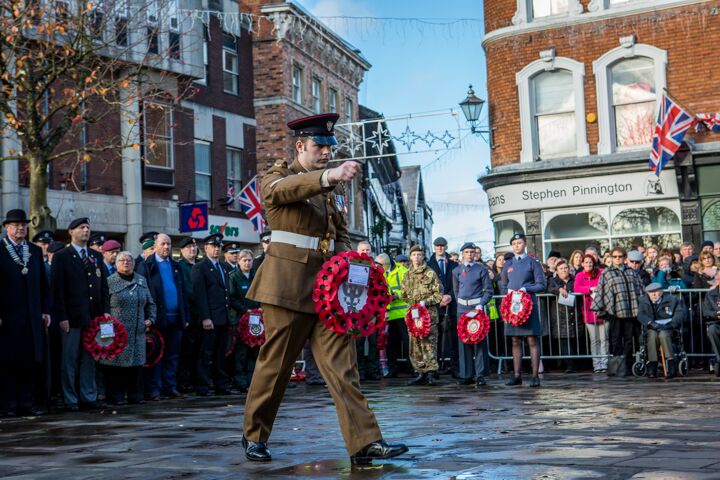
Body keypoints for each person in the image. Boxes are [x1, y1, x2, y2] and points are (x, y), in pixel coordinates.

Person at [242, 113, 407, 465]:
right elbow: (286, 191)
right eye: (319, 146)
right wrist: (328, 176)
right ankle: (255, 435)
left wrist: (359, 270)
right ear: (300, 146)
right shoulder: (277, 177)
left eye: (329, 148)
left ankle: (364, 442)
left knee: (342, 367)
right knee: (276, 366)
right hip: (287, 287)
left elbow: (338, 235)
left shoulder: (330, 191)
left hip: (329, 292)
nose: (326, 153)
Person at [51, 217, 110, 411]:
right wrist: (62, 317)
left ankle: (88, 395)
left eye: (87, 227)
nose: (86, 230)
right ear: (71, 232)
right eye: (81, 228)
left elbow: (102, 287)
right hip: (72, 317)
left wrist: (105, 314)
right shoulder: (62, 256)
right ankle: (70, 398)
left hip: (93, 317)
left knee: (90, 358)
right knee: (69, 360)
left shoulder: (95, 256)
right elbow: (57, 290)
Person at [0, 209, 51, 417]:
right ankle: (8, 403)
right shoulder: (1, 249)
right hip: (8, 316)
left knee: (30, 361)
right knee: (9, 361)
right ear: (6, 228)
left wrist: (46, 310)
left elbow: (43, 285)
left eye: (23, 224)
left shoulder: (34, 250)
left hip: (32, 315)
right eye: (15, 225)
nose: (20, 228)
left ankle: (26, 401)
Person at [135, 233, 189, 400]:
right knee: (156, 355)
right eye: (163, 244)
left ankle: (169, 386)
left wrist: (185, 316)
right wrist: (147, 318)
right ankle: (154, 389)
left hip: (176, 318)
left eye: (169, 244)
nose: (166, 247)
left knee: (173, 355)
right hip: (157, 319)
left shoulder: (176, 266)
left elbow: (183, 292)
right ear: (156, 245)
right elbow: (142, 294)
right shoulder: (147, 266)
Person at [100, 252, 156, 405]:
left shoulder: (141, 280)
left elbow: (151, 303)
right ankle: (115, 397)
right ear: (116, 264)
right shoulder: (109, 281)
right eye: (122, 260)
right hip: (116, 331)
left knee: (136, 365)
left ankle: (136, 396)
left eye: (129, 260)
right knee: (115, 366)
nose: (126, 263)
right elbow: (103, 306)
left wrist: (150, 319)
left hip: (138, 331)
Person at [500, 233, 547, 387]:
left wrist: (526, 289)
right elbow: (504, 284)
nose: (516, 246)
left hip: (528, 305)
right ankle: (517, 375)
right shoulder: (508, 264)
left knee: (532, 339)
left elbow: (541, 284)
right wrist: (507, 294)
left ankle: (534, 376)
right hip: (512, 307)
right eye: (514, 243)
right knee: (515, 340)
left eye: (519, 243)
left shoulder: (533, 262)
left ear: (524, 244)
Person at [591, 247, 644, 377]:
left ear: (624, 258)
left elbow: (639, 289)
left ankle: (627, 366)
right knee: (615, 340)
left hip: (631, 311)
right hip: (614, 311)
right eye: (615, 256)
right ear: (611, 258)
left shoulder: (632, 272)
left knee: (629, 340)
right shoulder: (606, 273)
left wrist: (642, 306)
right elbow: (602, 291)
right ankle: (616, 367)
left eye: (620, 256)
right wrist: (602, 308)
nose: (617, 259)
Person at [192, 233, 233, 396]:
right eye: (213, 247)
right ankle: (202, 385)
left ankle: (220, 384)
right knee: (205, 353)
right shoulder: (200, 267)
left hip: (222, 316)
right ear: (206, 248)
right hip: (210, 318)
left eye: (219, 247)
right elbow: (199, 295)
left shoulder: (223, 266)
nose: (217, 249)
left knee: (220, 353)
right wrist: (205, 317)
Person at [400, 244, 443, 386]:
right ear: (410, 257)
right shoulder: (407, 275)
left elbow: (438, 294)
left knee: (429, 343)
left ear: (423, 256)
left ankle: (431, 372)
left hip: (428, 315)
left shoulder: (430, 273)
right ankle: (420, 372)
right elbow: (404, 295)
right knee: (415, 344)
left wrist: (426, 302)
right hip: (413, 315)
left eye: (419, 254)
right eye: (414, 255)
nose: (417, 257)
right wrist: (413, 304)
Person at [452, 242, 493, 387]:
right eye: (467, 252)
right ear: (462, 254)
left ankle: (480, 374)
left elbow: (488, 291)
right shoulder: (456, 270)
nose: (469, 255)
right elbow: (456, 290)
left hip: (477, 309)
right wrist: (460, 303)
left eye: (472, 252)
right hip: (462, 309)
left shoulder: (481, 269)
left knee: (479, 340)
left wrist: (481, 304)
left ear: (475, 254)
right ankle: (466, 374)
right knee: (463, 341)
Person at [228, 249, 260, 393]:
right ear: (239, 261)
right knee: (241, 352)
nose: (247, 263)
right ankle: (240, 382)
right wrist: (244, 309)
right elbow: (232, 297)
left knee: (254, 350)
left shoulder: (256, 276)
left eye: (249, 260)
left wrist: (259, 308)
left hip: (256, 320)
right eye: (244, 260)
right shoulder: (233, 277)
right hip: (240, 319)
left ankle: (251, 381)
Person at [637, 283, 685, 378]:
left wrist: (671, 325)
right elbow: (641, 315)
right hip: (652, 328)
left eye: (656, 292)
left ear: (661, 292)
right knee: (652, 336)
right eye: (651, 292)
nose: (654, 295)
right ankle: (652, 365)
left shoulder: (672, 300)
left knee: (663, 335)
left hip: (668, 328)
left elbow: (680, 314)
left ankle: (671, 364)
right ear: (647, 293)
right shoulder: (643, 300)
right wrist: (651, 323)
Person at [426, 236, 458, 377]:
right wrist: (439, 297)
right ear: (434, 247)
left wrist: (450, 295)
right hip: (434, 307)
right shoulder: (428, 264)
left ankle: (454, 368)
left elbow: (457, 284)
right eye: (438, 246)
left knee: (453, 339)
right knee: (435, 339)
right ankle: (435, 368)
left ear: (446, 247)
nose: (440, 248)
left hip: (451, 306)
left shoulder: (453, 265)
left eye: (442, 246)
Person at [375, 252, 409, 378]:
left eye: (380, 265)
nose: (377, 267)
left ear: (386, 264)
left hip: (402, 313)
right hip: (387, 314)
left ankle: (410, 367)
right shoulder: (379, 272)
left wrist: (396, 295)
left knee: (407, 341)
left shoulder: (403, 271)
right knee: (390, 343)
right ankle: (393, 369)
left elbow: (408, 289)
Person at [574, 254, 608, 373]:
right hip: (588, 311)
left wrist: (598, 288)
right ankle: (597, 364)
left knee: (604, 339)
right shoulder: (579, 275)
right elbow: (576, 288)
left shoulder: (600, 272)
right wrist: (589, 289)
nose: (588, 264)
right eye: (586, 262)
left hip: (602, 310)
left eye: (590, 262)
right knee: (594, 340)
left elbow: (605, 285)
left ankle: (605, 363)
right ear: (582, 264)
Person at [176, 236, 199, 393]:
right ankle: (184, 381)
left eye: (194, 247)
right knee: (186, 351)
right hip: (188, 314)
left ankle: (195, 379)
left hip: (201, 313)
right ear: (182, 250)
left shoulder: (199, 266)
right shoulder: (179, 266)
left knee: (199, 350)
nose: (192, 250)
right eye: (188, 247)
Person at [355, 240, 380, 381]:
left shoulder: (376, 267)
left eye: (367, 250)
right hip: (357, 310)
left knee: (373, 342)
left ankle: (373, 370)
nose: (365, 253)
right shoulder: (351, 265)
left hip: (372, 309)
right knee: (358, 342)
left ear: (371, 251)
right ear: (358, 251)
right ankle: (360, 371)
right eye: (363, 250)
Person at [547, 259, 578, 373]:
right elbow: (549, 288)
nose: (564, 270)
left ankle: (578, 363)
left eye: (565, 268)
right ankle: (569, 365)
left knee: (576, 339)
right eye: (561, 269)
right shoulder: (553, 280)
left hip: (574, 314)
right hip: (560, 315)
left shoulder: (574, 279)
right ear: (556, 271)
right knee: (564, 340)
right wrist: (559, 289)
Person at [702, 270, 720, 377]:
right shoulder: (710, 294)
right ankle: (719, 359)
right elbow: (706, 311)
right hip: (716, 321)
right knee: (712, 330)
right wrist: (716, 314)